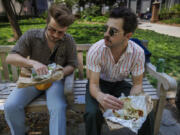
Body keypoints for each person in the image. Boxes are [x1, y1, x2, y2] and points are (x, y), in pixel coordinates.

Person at [4, 3, 77, 135]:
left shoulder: (69, 41)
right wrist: (32, 63)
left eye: (60, 32)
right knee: (10, 106)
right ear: (46, 22)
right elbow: (10, 58)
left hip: (55, 82)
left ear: (66, 29)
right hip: (32, 80)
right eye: (51, 29)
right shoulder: (31, 35)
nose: (55, 35)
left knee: (58, 107)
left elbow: (72, 65)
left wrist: (59, 73)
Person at [84, 7, 154, 135]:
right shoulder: (96, 50)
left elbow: (137, 84)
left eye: (113, 31)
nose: (106, 34)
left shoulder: (138, 53)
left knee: (146, 112)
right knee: (91, 113)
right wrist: (100, 96)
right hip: (99, 83)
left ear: (128, 36)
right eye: (106, 28)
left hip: (119, 83)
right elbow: (93, 84)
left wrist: (132, 102)